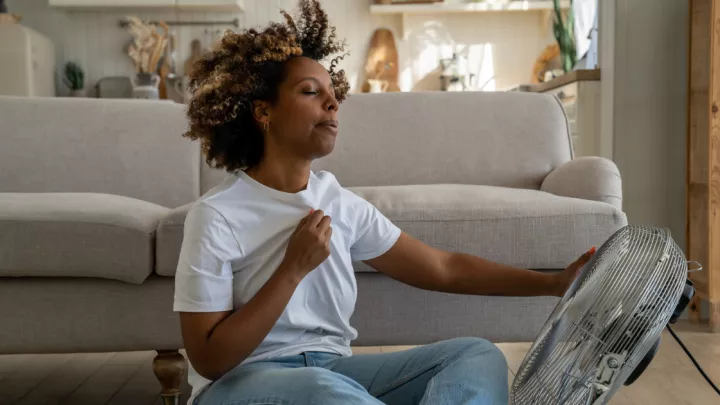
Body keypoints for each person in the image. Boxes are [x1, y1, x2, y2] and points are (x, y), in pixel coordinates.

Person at [174, 1, 594, 404]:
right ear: (263, 112)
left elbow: (444, 269)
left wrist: (554, 284)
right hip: (242, 383)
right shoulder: (217, 216)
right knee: (325, 393)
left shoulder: (338, 202)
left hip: (336, 374)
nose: (333, 102)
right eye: (309, 91)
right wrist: (292, 270)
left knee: (476, 356)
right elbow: (210, 361)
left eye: (332, 93)